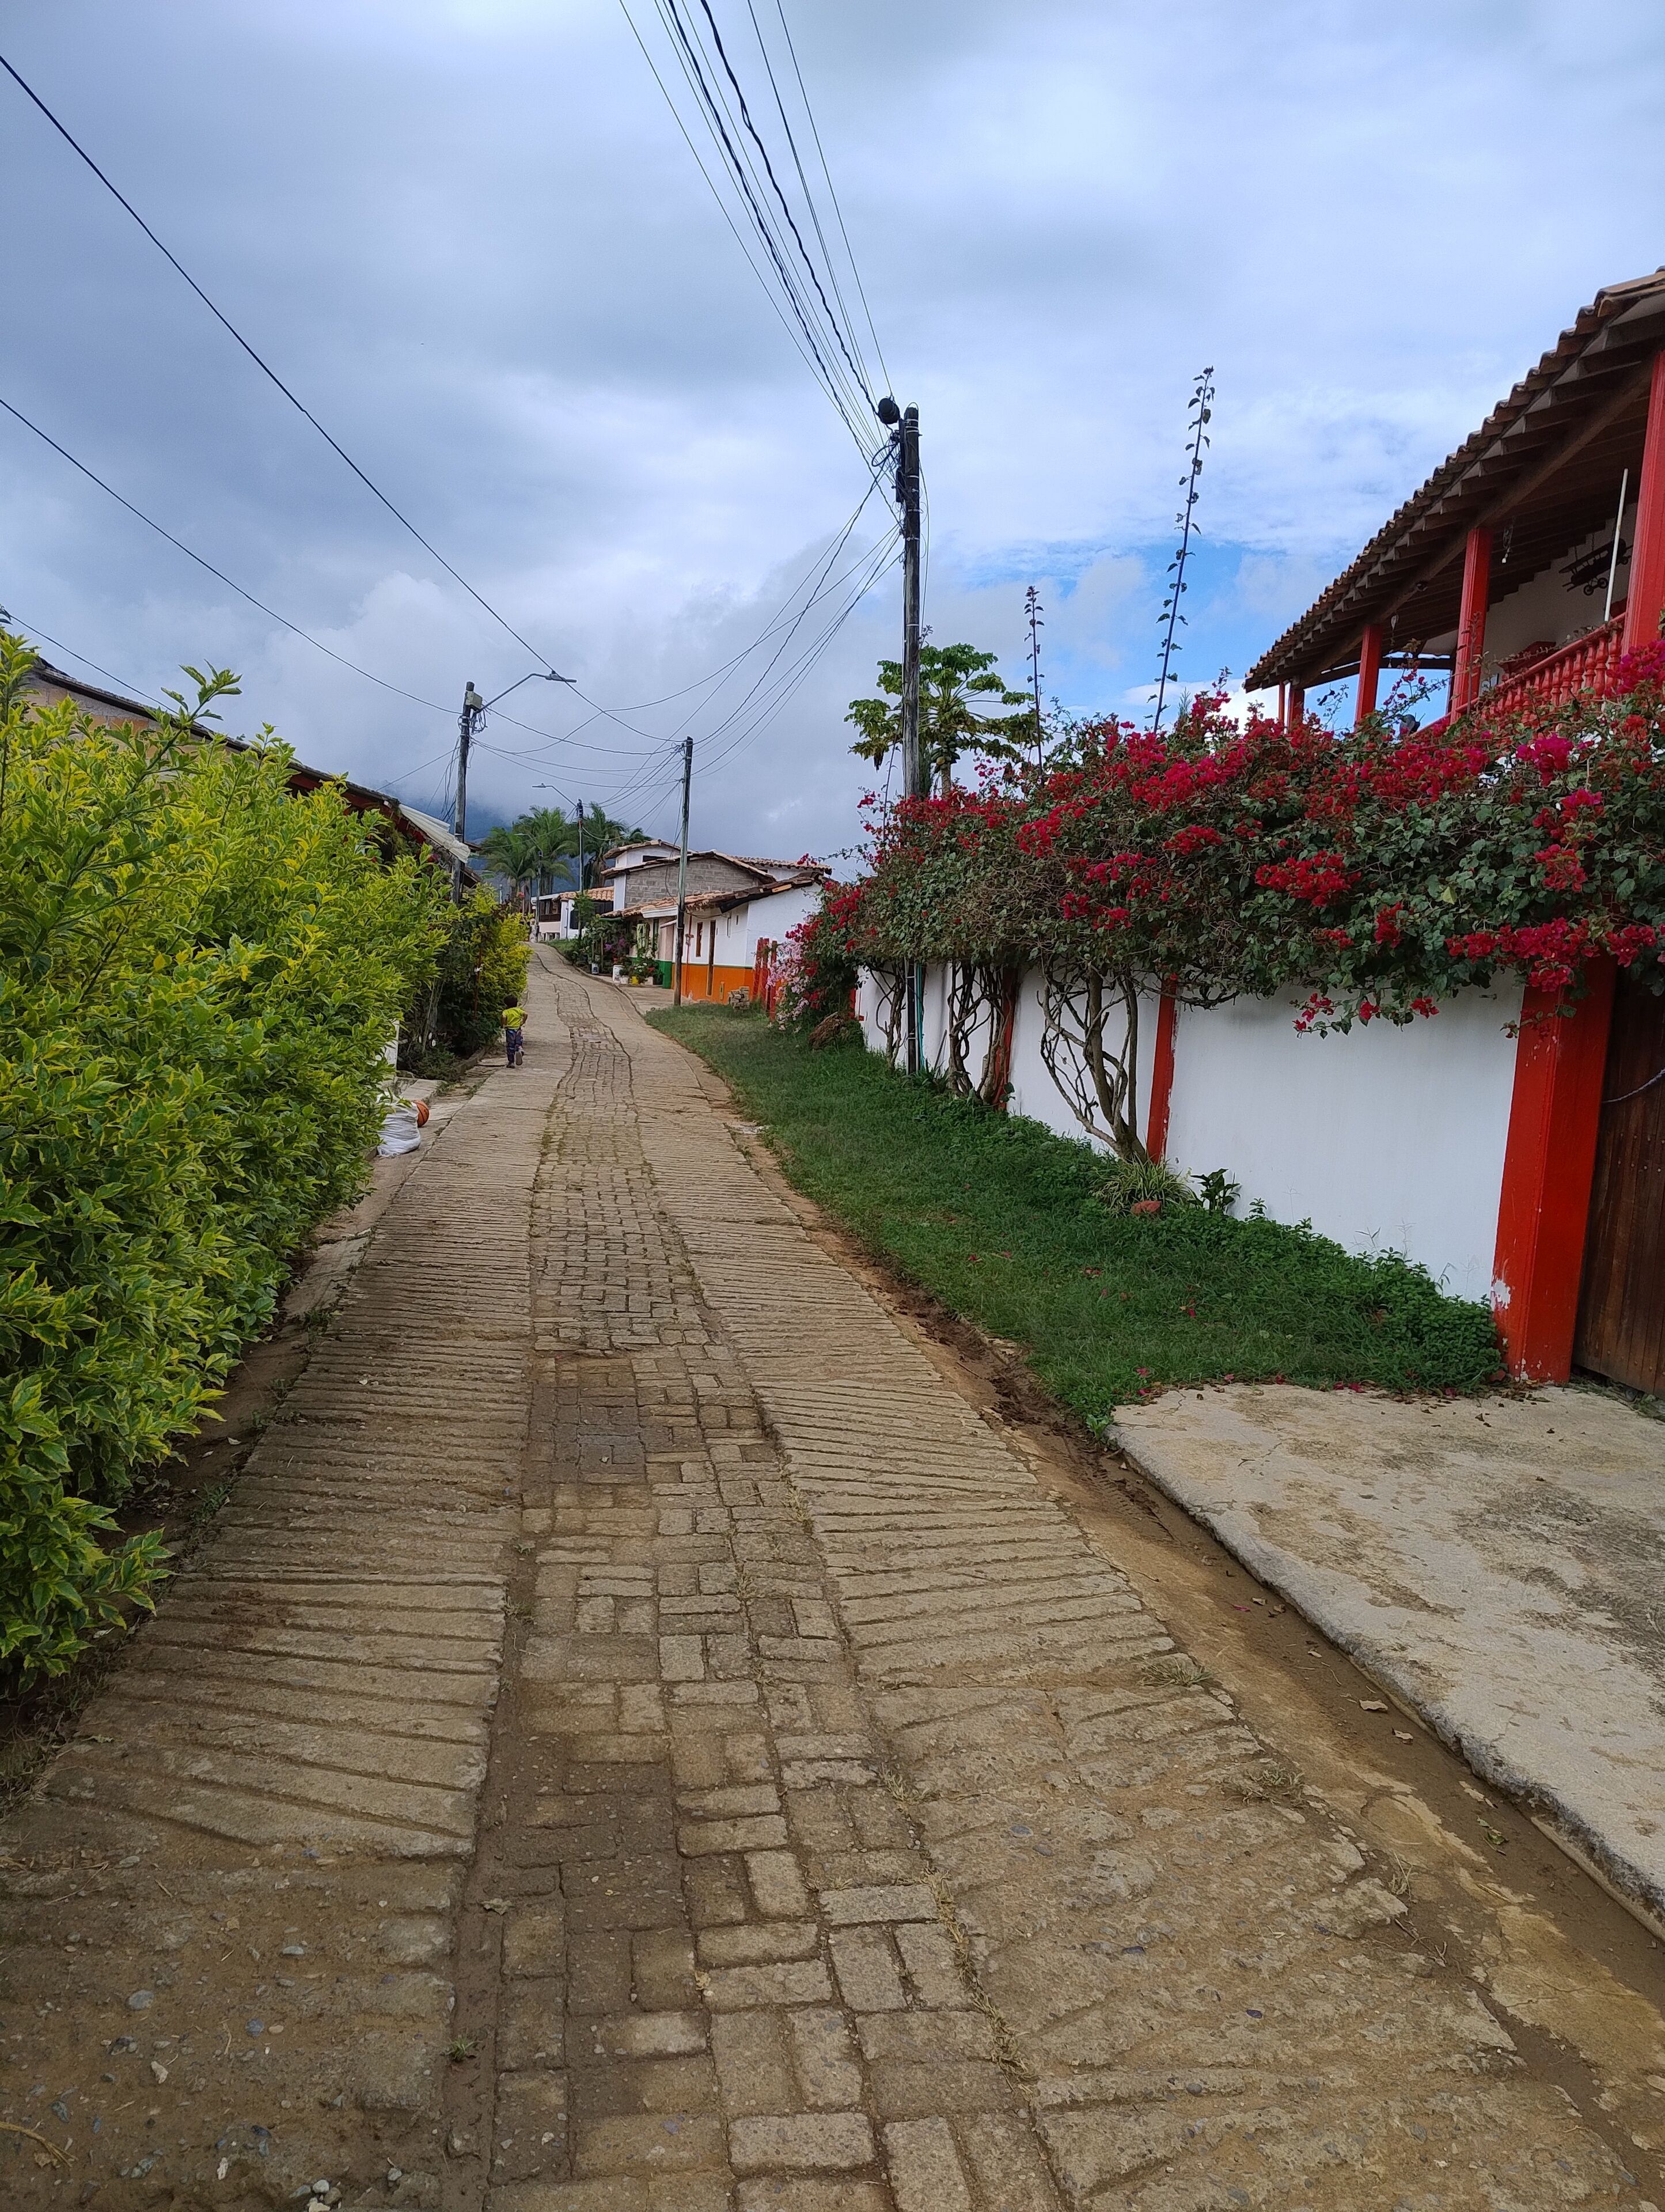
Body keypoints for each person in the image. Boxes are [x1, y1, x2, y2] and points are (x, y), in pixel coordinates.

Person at [502, 1001, 526, 1067]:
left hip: (510, 1030)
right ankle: (520, 1051)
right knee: (518, 1043)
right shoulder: (518, 1010)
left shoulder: (506, 1011)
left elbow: (503, 1017)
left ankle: (511, 1062)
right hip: (518, 1030)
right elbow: (526, 1014)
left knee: (510, 1046)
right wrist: (523, 1022)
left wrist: (504, 1024)